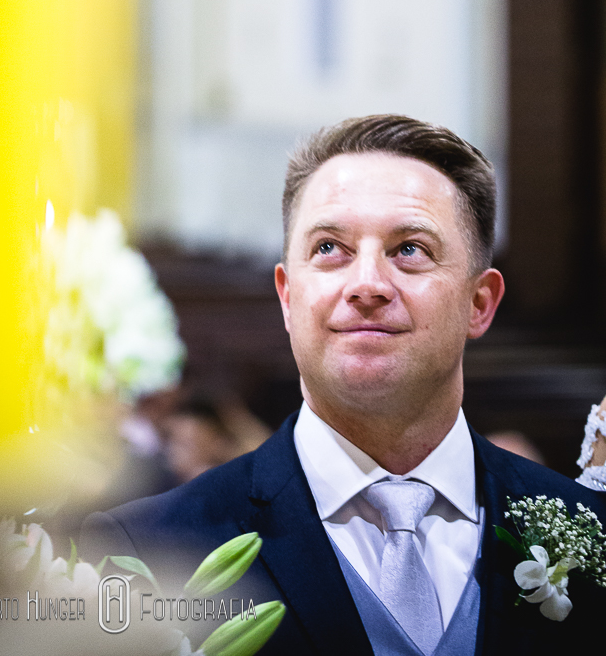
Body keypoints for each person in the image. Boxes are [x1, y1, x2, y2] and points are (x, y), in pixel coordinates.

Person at [82, 115, 606, 653]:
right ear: (287, 297)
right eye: (331, 248)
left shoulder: (591, 537)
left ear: (480, 304)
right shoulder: (145, 551)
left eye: (410, 249)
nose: (368, 285)